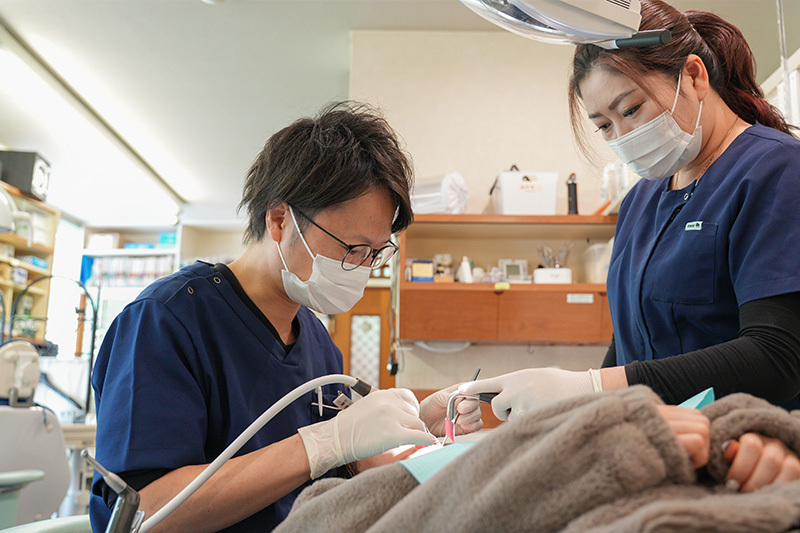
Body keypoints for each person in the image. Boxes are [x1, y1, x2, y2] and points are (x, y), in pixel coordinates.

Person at [457, 0, 800, 492]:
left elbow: (778, 355)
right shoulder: (641, 200)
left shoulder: (776, 171)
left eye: (631, 109)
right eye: (603, 125)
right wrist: (578, 403)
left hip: (753, 466)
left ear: (695, 75)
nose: (623, 136)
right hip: (659, 463)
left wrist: (591, 387)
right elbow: (631, 345)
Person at [89, 102, 480, 533]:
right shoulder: (164, 323)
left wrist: (412, 428)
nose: (362, 268)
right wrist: (322, 443)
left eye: (374, 254)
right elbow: (145, 513)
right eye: (352, 248)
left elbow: (344, 463)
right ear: (279, 219)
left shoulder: (316, 343)